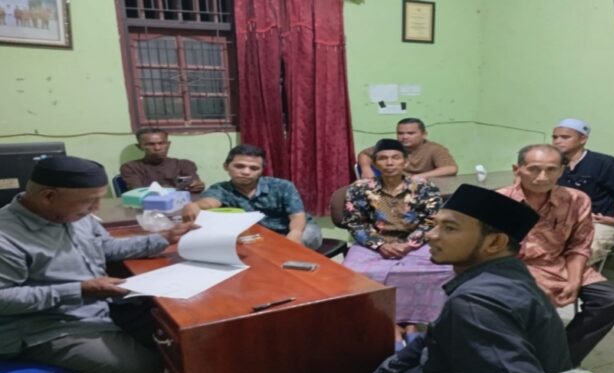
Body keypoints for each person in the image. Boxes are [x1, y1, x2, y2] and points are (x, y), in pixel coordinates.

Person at [273, 184, 572, 373]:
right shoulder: (508, 275)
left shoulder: (477, 304)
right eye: (434, 224)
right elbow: (433, 339)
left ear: (494, 242)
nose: (431, 235)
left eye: (449, 228)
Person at [0, 156, 196, 373]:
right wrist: (80, 289)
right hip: (44, 326)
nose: (95, 208)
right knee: (143, 368)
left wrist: (165, 238)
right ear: (48, 196)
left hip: (94, 305)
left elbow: (104, 246)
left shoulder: (72, 215)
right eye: (90, 201)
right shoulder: (6, 237)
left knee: (169, 330)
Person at [498, 144, 614, 367]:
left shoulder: (577, 200)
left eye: (551, 169)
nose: (542, 177)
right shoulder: (499, 201)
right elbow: (489, 253)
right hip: (515, 267)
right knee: (531, 302)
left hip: (559, 262)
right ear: (517, 169)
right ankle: (519, 362)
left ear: (562, 170)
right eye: (534, 169)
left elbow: (579, 245)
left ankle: (561, 361)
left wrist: (574, 280)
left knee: (613, 300)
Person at [342, 139, 453, 346]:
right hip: (373, 243)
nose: (390, 163)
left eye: (395, 158)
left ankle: (412, 323)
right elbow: (355, 223)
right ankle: (388, 323)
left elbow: (432, 220)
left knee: (443, 270)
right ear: (375, 163)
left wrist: (410, 244)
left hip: (416, 242)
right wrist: (379, 245)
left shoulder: (423, 187)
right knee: (353, 274)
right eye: (383, 158)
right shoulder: (360, 188)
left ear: (405, 161)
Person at [181, 144, 322, 249]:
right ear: (226, 166)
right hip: (257, 235)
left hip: (294, 228)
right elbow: (211, 201)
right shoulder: (221, 189)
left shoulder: (282, 186)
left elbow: (297, 216)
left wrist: (295, 234)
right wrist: (195, 205)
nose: (246, 172)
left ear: (261, 171)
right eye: (239, 166)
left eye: (254, 168)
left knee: (299, 242)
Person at [552, 118, 614, 265]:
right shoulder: (553, 163)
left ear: (582, 139)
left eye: (565, 137)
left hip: (596, 221)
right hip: (562, 219)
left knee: (580, 258)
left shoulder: (605, 163)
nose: (557, 141)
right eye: (555, 137)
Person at [357, 118, 458, 179]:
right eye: (400, 133)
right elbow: (364, 154)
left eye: (410, 133)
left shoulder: (434, 148)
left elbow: (451, 168)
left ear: (424, 134)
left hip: (422, 189)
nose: (404, 137)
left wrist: (418, 177)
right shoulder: (392, 146)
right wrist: (366, 168)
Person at [120, 128, 205, 192]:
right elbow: (138, 193)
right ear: (140, 147)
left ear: (168, 144)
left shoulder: (184, 165)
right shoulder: (131, 168)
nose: (157, 148)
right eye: (150, 144)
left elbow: (192, 186)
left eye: (161, 143)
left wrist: (197, 186)